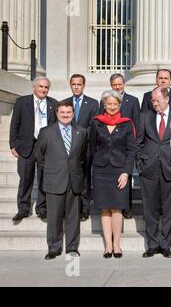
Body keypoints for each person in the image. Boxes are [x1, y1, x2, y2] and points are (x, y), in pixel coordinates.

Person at [136, 87, 171, 259]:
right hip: (148, 170)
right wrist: (140, 163)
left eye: (156, 100)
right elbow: (138, 143)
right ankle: (152, 245)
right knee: (149, 210)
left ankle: (166, 245)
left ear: (167, 99)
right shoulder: (145, 116)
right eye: (152, 100)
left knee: (169, 210)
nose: (154, 103)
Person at [35, 100, 88, 260]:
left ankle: (72, 247)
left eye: (69, 112)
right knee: (54, 218)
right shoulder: (46, 132)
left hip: (74, 180)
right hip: (54, 180)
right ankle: (54, 248)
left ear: (73, 114)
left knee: (73, 217)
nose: (65, 115)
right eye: (62, 112)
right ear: (57, 113)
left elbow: (83, 157)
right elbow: (39, 156)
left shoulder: (81, 132)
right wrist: (53, 170)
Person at [91, 90, 136, 258]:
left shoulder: (126, 123)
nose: (111, 107)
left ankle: (117, 244)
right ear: (104, 104)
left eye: (114, 104)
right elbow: (92, 147)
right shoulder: (96, 123)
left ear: (119, 105)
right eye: (108, 104)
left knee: (117, 208)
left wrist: (126, 172)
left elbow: (131, 150)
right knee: (104, 209)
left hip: (119, 170)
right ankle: (107, 246)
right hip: (101, 170)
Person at [9, 76, 57, 222]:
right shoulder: (22, 102)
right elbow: (14, 124)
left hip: (45, 147)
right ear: (34, 87)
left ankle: (42, 209)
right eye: (41, 86)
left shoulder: (53, 103)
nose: (43, 89)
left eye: (46, 87)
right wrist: (13, 145)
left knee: (44, 178)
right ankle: (23, 209)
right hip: (26, 147)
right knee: (25, 178)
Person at [98, 74, 139, 219]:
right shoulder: (105, 100)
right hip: (109, 147)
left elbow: (136, 123)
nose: (117, 87)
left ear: (124, 84)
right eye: (114, 84)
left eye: (119, 84)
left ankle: (127, 208)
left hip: (125, 146)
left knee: (126, 181)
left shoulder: (133, 101)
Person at [64, 74, 99, 221]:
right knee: (69, 179)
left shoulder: (92, 103)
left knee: (85, 179)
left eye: (79, 84)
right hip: (68, 148)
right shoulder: (64, 103)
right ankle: (71, 208)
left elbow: (93, 127)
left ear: (84, 85)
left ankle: (84, 209)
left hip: (86, 148)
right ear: (70, 85)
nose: (76, 87)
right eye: (74, 84)